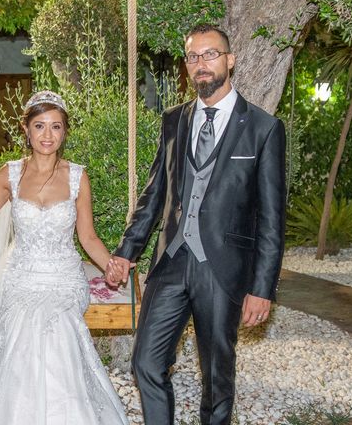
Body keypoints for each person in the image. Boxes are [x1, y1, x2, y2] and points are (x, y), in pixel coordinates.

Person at [107, 24, 286, 425]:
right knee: (146, 362)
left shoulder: (262, 128)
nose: (201, 64)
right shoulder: (174, 120)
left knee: (217, 378)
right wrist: (126, 250)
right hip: (171, 262)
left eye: (210, 55)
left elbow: (273, 218)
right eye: (193, 57)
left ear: (230, 60)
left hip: (223, 268)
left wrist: (262, 287)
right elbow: (155, 193)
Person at [0, 90, 128, 425]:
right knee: (24, 324)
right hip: (21, 277)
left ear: (65, 132)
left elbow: (88, 237)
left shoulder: (78, 177)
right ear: (26, 129)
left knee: (57, 325)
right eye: (39, 126)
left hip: (63, 279)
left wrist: (109, 263)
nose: (47, 136)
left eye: (56, 127)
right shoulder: (11, 175)